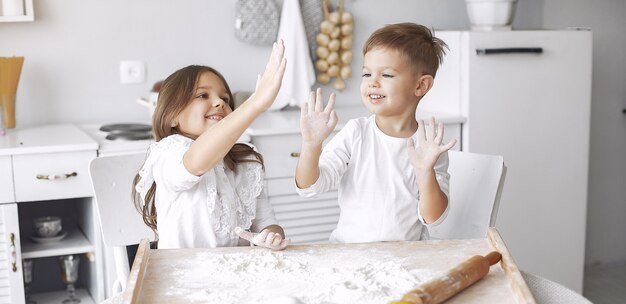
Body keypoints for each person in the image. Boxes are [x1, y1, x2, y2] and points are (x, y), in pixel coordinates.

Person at [295, 23, 456, 243]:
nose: (372, 82)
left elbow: (433, 218)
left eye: (387, 75)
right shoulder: (356, 133)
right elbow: (309, 187)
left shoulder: (429, 147)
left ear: (421, 86)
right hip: (349, 255)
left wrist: (425, 172)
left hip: (404, 261)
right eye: (367, 73)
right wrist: (311, 145)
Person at [132, 40, 290, 250]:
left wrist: (271, 236)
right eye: (202, 95)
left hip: (236, 274)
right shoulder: (168, 153)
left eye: (225, 98)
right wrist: (255, 103)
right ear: (172, 117)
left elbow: (266, 221)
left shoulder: (245, 161)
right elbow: (196, 162)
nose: (220, 102)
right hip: (184, 276)